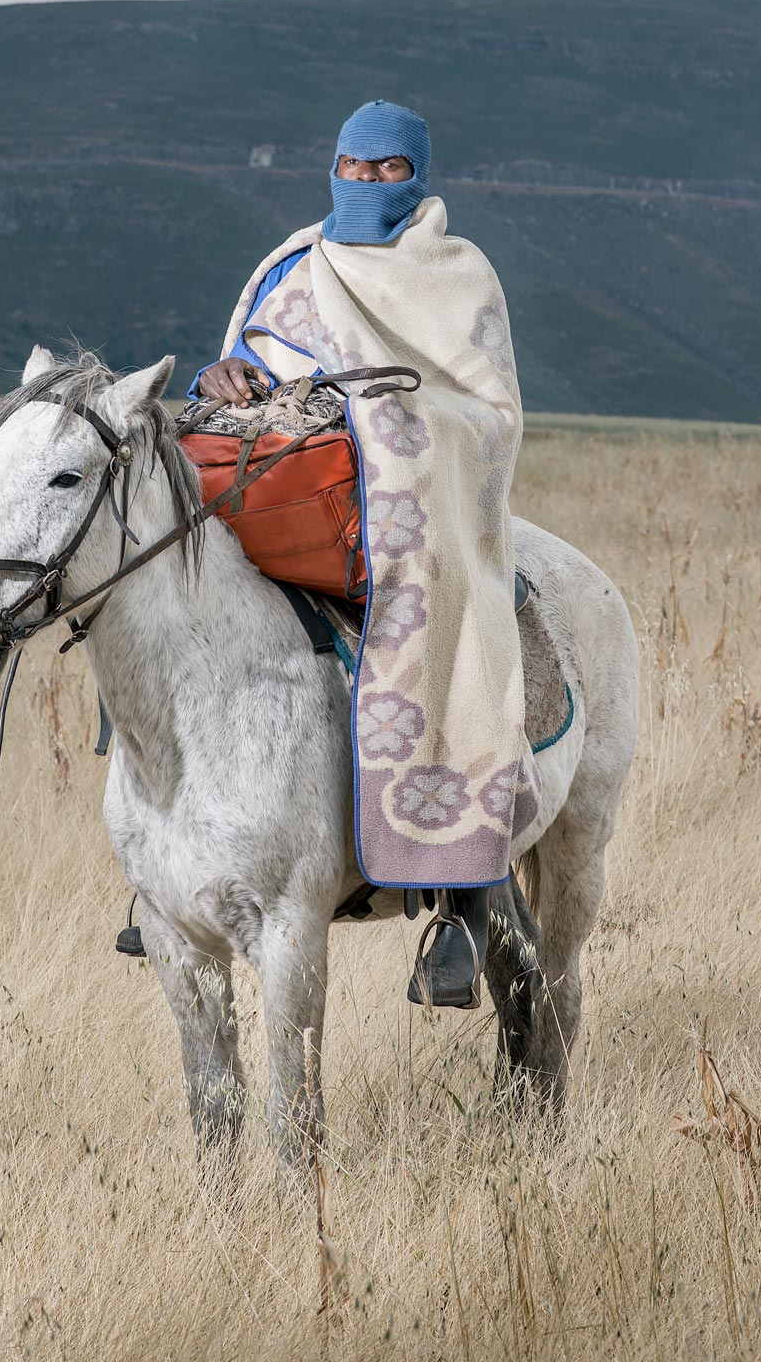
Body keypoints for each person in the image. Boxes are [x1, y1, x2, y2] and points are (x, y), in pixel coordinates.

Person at [168, 101, 528, 1010]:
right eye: (350, 167)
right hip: (290, 483)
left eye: (386, 170)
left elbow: (488, 413)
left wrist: (377, 417)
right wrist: (226, 376)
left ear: (418, 176)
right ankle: (165, 864)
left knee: (446, 628)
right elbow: (244, 356)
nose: (364, 184)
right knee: (162, 575)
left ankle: (463, 893)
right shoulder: (295, 260)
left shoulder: (454, 272)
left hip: (402, 501)